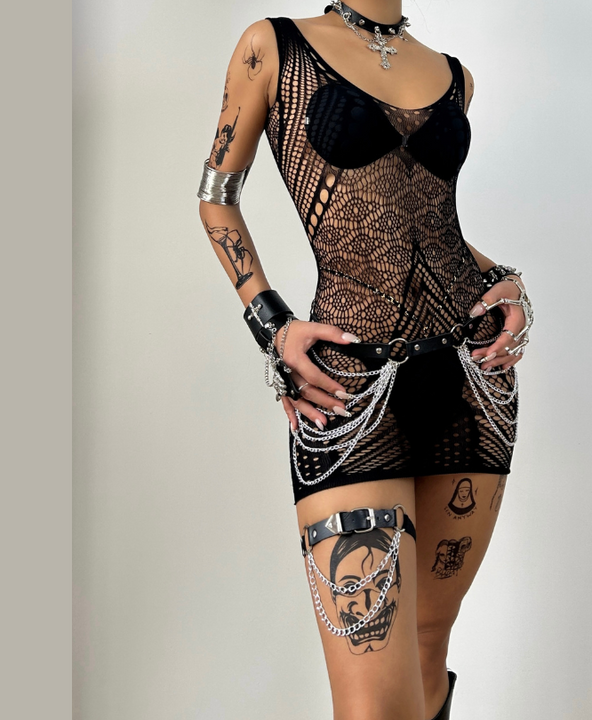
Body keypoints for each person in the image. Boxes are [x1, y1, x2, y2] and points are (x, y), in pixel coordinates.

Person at [197, 2, 533, 718]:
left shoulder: (455, 77)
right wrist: (273, 324)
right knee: (372, 702)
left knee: (428, 645)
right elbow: (217, 198)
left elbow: (430, 224)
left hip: (473, 381)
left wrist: (509, 283)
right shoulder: (275, 47)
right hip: (349, 391)